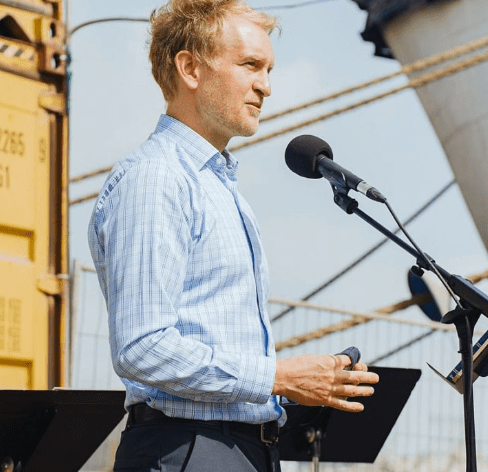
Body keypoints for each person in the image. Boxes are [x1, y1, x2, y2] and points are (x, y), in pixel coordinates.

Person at [87, 1, 380, 471]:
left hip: (243, 448)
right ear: (190, 69)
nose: (266, 85)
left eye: (268, 69)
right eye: (250, 65)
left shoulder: (219, 187)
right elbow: (142, 347)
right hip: (188, 449)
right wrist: (280, 377)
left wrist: (301, 389)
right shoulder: (156, 178)